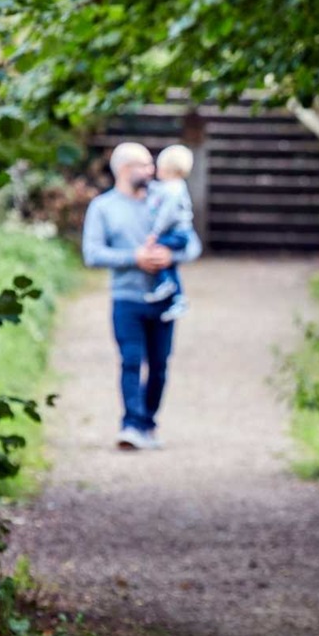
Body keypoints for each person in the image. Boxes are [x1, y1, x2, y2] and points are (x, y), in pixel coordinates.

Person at [82, 141, 202, 451]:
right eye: (145, 165)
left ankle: (148, 423)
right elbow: (92, 253)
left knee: (160, 366)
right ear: (124, 169)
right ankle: (130, 425)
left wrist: (170, 256)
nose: (152, 171)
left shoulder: (164, 199)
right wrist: (134, 258)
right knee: (131, 360)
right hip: (126, 299)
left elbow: (192, 245)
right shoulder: (103, 207)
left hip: (163, 301)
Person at [142, 144, 195, 323]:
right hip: (181, 232)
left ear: (167, 168)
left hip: (177, 233)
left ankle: (165, 283)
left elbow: (166, 214)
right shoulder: (174, 186)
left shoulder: (173, 189)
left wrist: (155, 233)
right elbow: (156, 189)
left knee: (156, 250)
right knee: (169, 263)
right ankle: (178, 297)